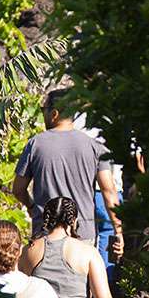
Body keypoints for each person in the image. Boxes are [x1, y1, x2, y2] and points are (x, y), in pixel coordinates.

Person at [12, 89, 124, 257]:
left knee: (43, 283)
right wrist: (118, 232)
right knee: (81, 282)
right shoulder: (95, 147)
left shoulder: (35, 144)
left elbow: (18, 189)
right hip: (83, 233)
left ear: (54, 114)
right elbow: (109, 192)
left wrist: (32, 206)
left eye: (44, 110)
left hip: (46, 232)